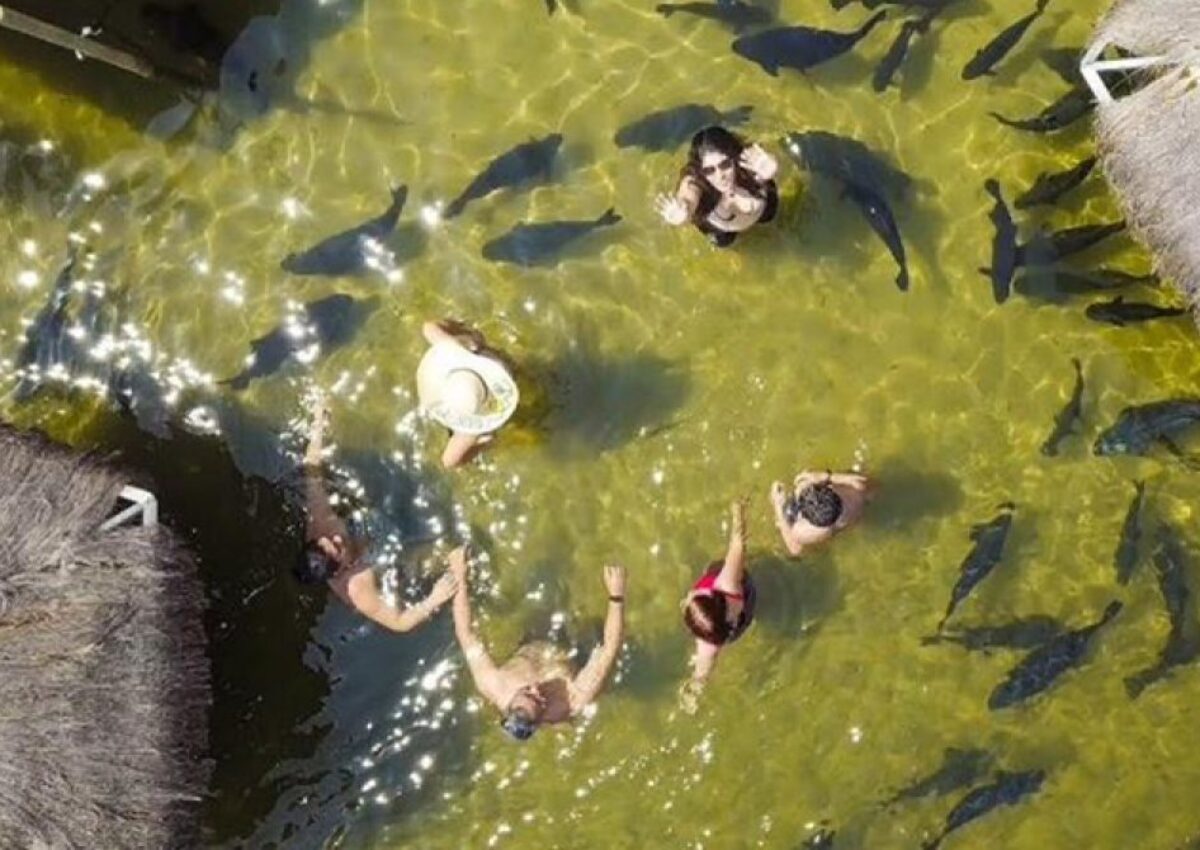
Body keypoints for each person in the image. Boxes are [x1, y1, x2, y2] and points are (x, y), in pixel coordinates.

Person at [296, 392, 458, 630]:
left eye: (329, 539)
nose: (337, 537)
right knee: (443, 553)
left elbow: (311, 467)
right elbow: (399, 623)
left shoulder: (321, 522)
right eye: (338, 548)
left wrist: (319, 422)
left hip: (373, 521)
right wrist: (434, 598)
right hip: (392, 555)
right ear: (340, 569)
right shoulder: (358, 588)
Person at [449, 546, 627, 740]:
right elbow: (610, 648)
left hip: (534, 640)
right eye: (539, 701)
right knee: (599, 632)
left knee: (550, 578)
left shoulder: (492, 683)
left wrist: (459, 572)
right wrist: (616, 596)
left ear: (511, 702)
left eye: (526, 692)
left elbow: (465, 632)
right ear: (542, 718)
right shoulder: (572, 700)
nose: (535, 687)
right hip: (573, 654)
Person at [415, 319, 519, 470]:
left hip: (459, 406)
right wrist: (465, 334)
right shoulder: (471, 431)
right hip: (472, 407)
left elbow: (448, 461)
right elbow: (428, 327)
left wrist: (484, 444)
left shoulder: (469, 433)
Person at [654, 126, 779, 248]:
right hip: (721, 229)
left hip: (762, 211)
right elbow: (688, 197)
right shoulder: (697, 182)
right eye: (709, 170)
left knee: (770, 218)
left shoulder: (748, 163)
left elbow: (766, 162)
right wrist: (683, 211)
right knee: (725, 242)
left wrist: (772, 167)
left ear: (734, 158)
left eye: (725, 164)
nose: (720, 176)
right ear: (700, 170)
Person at [681, 500, 755, 703]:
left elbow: (700, 675)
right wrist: (738, 512)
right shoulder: (726, 584)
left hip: (738, 626)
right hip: (745, 597)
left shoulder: (708, 647)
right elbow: (738, 543)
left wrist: (691, 695)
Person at [770, 470, 873, 557]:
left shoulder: (808, 531)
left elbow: (795, 550)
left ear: (805, 517)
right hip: (852, 513)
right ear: (830, 491)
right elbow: (860, 482)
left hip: (829, 530)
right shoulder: (855, 488)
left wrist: (778, 507)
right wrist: (827, 476)